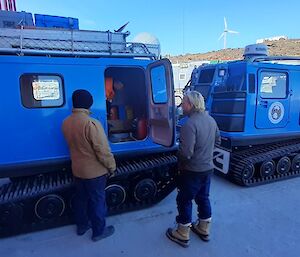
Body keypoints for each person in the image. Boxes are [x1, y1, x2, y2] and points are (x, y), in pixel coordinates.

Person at [166, 91, 220, 248]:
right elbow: (217, 141)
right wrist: (205, 155)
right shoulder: (211, 120)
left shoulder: (188, 124)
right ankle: (204, 228)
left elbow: (186, 153)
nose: (182, 105)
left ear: (191, 105)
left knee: (184, 199)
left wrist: (179, 162)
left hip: (192, 171)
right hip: (208, 168)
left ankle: (182, 232)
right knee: (203, 197)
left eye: (184, 102)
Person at [62, 89, 116, 242]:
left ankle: (82, 226)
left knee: (81, 199)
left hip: (77, 170)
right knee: (98, 200)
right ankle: (99, 231)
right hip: (94, 173)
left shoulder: (66, 122)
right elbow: (102, 150)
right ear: (88, 104)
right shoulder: (91, 123)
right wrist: (111, 166)